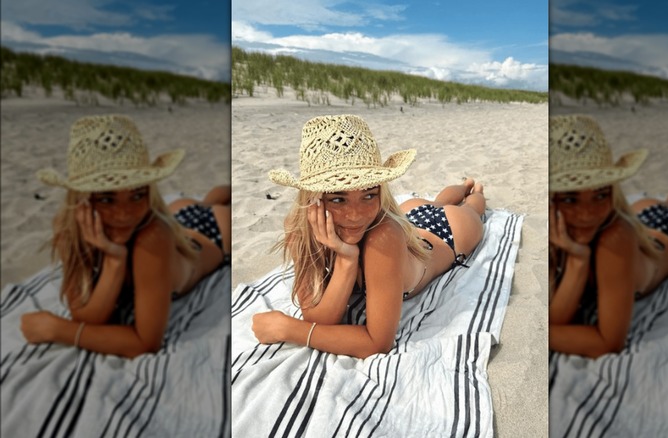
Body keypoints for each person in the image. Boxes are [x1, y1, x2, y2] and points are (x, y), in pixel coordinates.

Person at [251, 114, 485, 358]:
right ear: (313, 199)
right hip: (410, 219)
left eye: (369, 195)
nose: (355, 215)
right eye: (338, 198)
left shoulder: (382, 238)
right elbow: (317, 317)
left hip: (446, 233)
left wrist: (287, 328)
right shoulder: (302, 231)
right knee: (436, 201)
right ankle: (463, 186)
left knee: (470, 208)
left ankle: (473, 187)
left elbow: (377, 343)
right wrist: (347, 259)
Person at [19, 114, 231, 358]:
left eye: (138, 195)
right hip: (178, 219)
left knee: (215, 206)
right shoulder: (73, 231)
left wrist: (58, 329)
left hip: (212, 232)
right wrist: (115, 260)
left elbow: (145, 342)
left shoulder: (151, 239)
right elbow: (85, 316)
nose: (124, 213)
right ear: (81, 202)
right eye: (107, 199)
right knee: (206, 201)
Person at [548, 115, 668, 358]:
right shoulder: (560, 233)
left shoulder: (614, 239)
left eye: (600, 194)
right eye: (569, 199)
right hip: (643, 219)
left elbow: (608, 342)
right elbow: (557, 319)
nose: (587, 214)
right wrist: (579, 259)